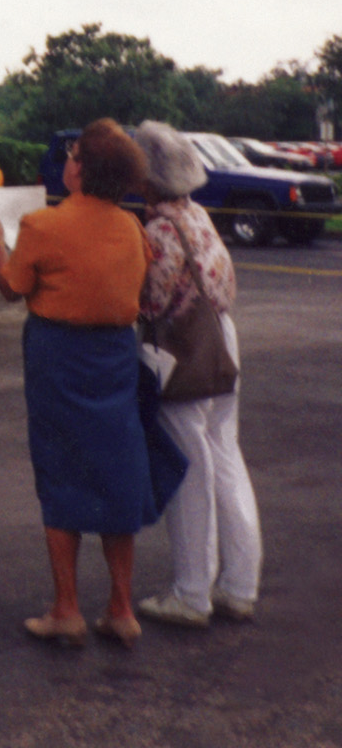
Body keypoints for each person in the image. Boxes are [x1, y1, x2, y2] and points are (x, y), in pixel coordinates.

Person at [0, 118, 175, 650]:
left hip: (59, 359)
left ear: (80, 171)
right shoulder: (132, 229)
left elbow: (11, 287)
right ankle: (120, 607)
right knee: (119, 473)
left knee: (61, 471)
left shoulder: (45, 226)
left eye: (75, 155)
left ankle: (66, 608)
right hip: (115, 359)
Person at [134, 119, 263, 628]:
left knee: (188, 464)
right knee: (225, 454)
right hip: (222, 338)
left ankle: (191, 593)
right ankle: (239, 584)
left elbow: (152, 302)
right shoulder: (200, 216)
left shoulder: (157, 232)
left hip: (183, 346)